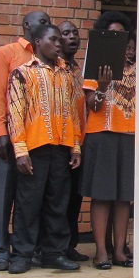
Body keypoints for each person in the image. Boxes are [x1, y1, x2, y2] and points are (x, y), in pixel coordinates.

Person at [6, 23, 82, 274]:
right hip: (34, 148)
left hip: (61, 147)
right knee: (28, 203)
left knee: (57, 202)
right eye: (54, 39)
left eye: (60, 40)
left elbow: (73, 111)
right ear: (38, 42)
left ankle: (53, 252)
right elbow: (16, 113)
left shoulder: (67, 75)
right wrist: (20, 151)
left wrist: (76, 146)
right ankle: (22, 254)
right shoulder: (22, 73)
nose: (59, 44)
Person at [0, 10, 51, 271]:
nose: (47, 26)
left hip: (34, 141)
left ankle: (27, 249)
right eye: (42, 22)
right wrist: (1, 133)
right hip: (9, 139)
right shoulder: (7, 53)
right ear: (26, 25)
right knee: (1, 196)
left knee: (29, 200)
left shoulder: (45, 57)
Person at [81, 12, 136, 269]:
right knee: (102, 196)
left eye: (123, 36)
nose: (119, 41)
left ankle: (120, 251)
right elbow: (92, 105)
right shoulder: (96, 63)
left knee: (124, 196)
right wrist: (102, 86)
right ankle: (101, 251)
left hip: (130, 136)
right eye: (112, 34)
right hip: (102, 135)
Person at [58, 20, 89, 263]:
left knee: (73, 198)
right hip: (58, 142)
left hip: (80, 142)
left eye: (75, 33)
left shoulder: (79, 70)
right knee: (56, 197)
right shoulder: (53, 69)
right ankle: (51, 246)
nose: (72, 37)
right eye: (66, 33)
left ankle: (69, 244)